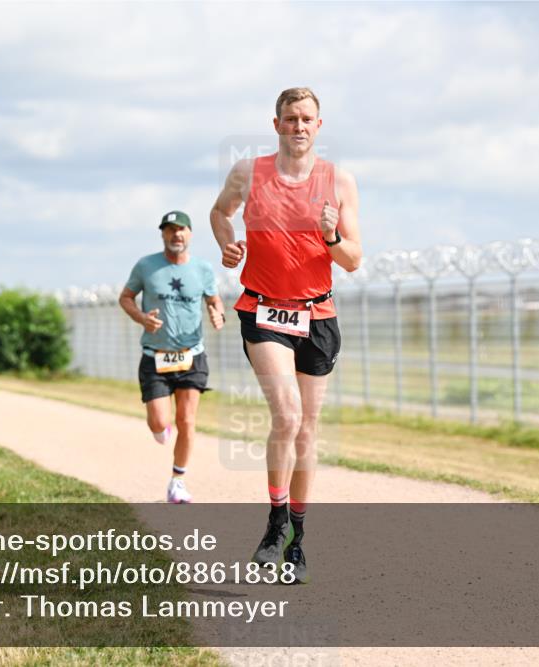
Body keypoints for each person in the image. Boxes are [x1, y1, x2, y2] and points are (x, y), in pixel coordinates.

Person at [210, 87, 362, 583]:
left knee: (307, 429)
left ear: (319, 125)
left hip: (316, 316)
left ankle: (297, 537)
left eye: (307, 119)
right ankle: (275, 523)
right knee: (287, 415)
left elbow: (353, 261)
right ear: (275, 124)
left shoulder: (338, 181)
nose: (299, 126)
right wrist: (229, 245)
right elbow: (219, 212)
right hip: (263, 310)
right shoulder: (248, 173)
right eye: (290, 118)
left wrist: (332, 235)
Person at [118, 210, 225, 504]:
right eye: (170, 230)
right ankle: (159, 427)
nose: (176, 234)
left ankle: (177, 481)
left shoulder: (202, 269)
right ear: (163, 234)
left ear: (190, 234)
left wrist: (218, 314)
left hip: (192, 355)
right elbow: (125, 298)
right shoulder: (146, 266)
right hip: (156, 357)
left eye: (182, 229)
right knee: (159, 423)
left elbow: (215, 301)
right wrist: (141, 318)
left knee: (187, 421)